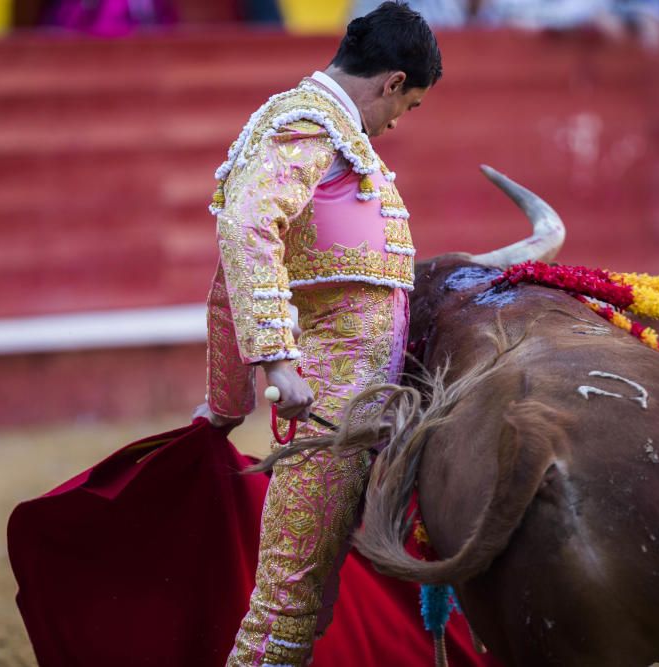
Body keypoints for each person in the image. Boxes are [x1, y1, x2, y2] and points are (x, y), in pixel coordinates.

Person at [191, 2, 442, 664]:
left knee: (309, 597)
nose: (397, 122)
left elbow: (224, 287)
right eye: (408, 106)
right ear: (391, 81)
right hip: (331, 409)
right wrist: (276, 364)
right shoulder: (308, 127)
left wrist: (224, 401)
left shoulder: (327, 131)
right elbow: (245, 227)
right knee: (286, 605)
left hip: (368, 406)